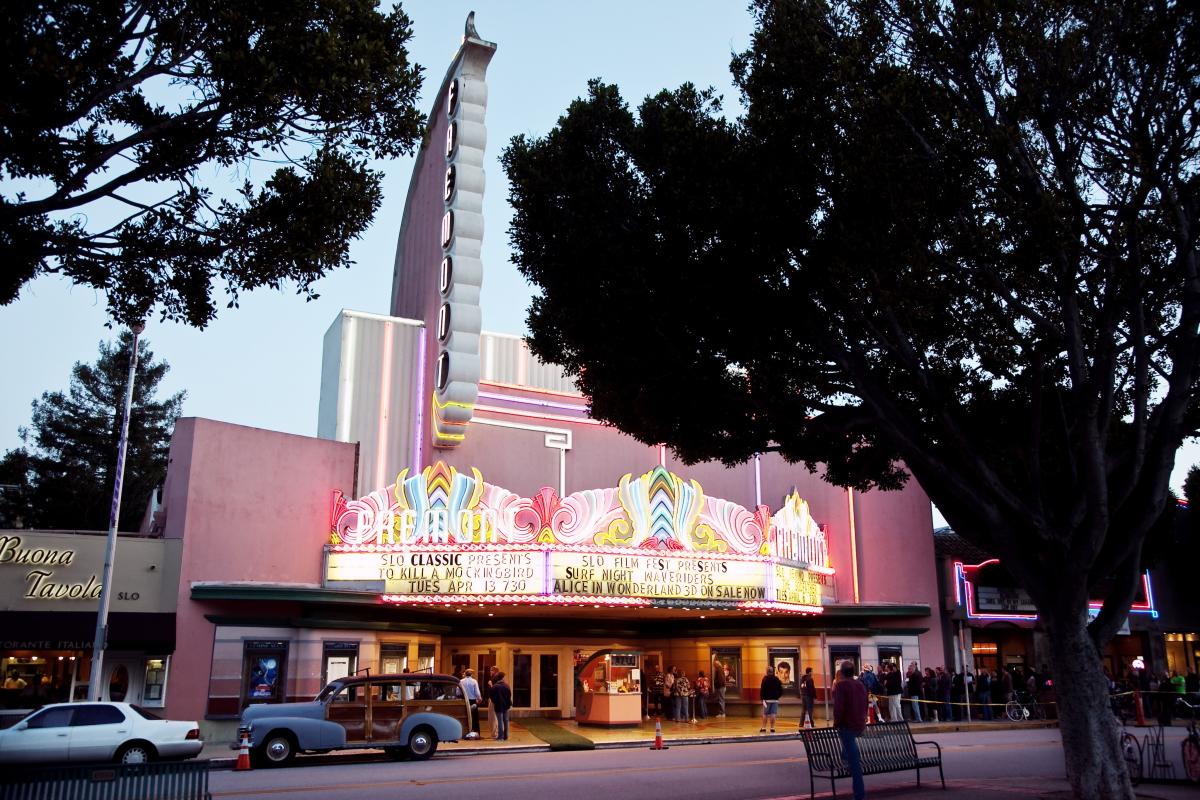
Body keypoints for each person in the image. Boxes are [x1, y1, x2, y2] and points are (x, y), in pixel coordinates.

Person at [833, 661, 868, 800]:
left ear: (841, 672)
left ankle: (859, 795)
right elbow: (865, 702)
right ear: (853, 672)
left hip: (847, 725)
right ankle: (846, 757)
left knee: (854, 762)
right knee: (849, 749)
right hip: (858, 724)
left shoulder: (841, 686)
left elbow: (839, 708)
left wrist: (836, 722)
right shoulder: (860, 684)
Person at [489, 670, 512, 741]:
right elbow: (509, 696)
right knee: (505, 721)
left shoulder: (495, 687)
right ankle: (505, 736)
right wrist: (508, 704)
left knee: (499, 721)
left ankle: (500, 736)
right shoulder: (507, 686)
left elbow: (491, 696)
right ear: (502, 678)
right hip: (506, 706)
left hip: (498, 706)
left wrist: (495, 702)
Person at [760, 665, 783, 733]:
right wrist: (777, 696)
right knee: (773, 713)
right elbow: (780, 689)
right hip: (775, 699)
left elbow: (762, 689)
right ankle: (772, 728)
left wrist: (762, 698)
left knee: (765, 714)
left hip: (767, 700)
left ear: (767, 672)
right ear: (772, 672)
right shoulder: (776, 679)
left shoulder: (765, 679)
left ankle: (764, 728)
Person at [460, 668, 481, 738]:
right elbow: (477, 692)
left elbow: (458, 692)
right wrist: (479, 698)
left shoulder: (461, 681)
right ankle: (476, 733)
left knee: (465, 716)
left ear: (465, 674)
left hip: (464, 700)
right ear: (471, 674)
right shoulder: (474, 681)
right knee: (474, 717)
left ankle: (465, 732)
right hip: (472, 701)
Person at [486, 665, 500, 738]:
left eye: (492, 670)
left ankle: (495, 733)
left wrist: (491, 684)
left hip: (495, 699)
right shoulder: (494, 678)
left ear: (495, 671)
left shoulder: (496, 678)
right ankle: (494, 733)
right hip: (493, 699)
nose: (490, 672)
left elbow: (496, 689)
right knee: (492, 717)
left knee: (493, 717)